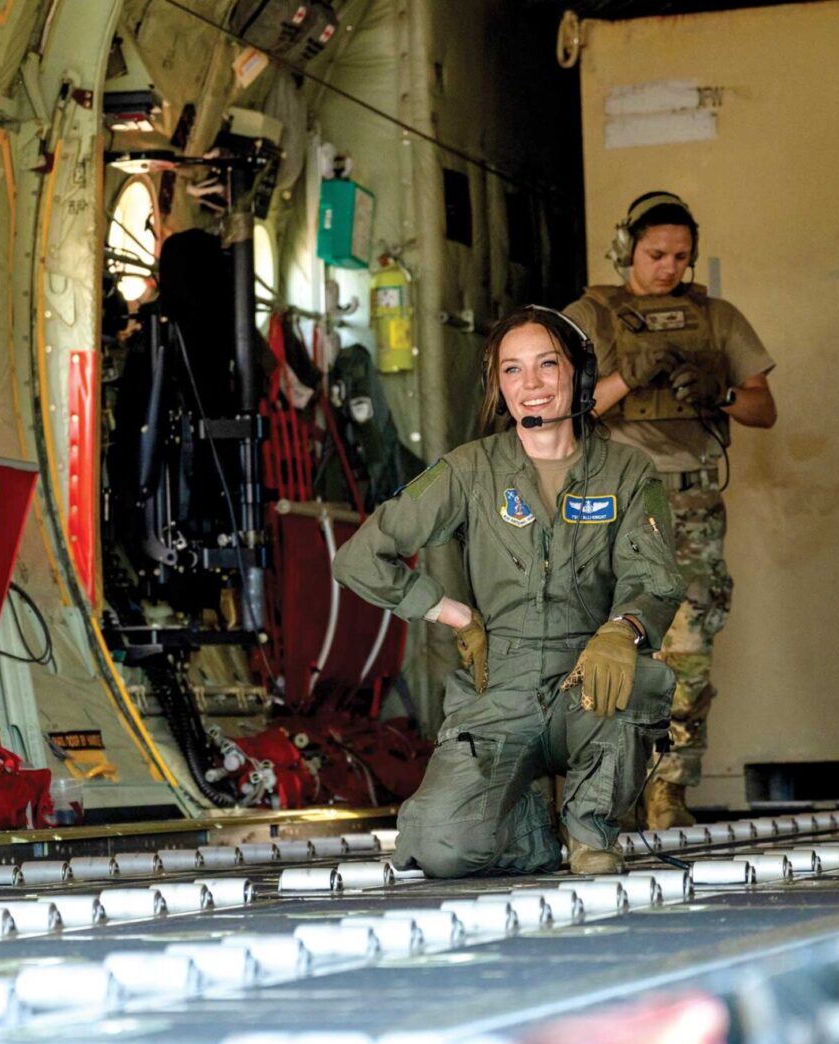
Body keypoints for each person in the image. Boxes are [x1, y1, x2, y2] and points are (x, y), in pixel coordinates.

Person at [332, 307, 685, 876]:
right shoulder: (470, 470)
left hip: (588, 675)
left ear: (580, 375)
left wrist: (624, 629)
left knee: (636, 677)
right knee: (440, 847)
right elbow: (359, 557)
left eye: (547, 365)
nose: (532, 386)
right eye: (513, 370)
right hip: (499, 685)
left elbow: (655, 578)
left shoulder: (627, 471)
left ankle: (591, 832)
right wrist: (450, 612)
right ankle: (533, 829)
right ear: (498, 385)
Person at [564, 192, 778, 830]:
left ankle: (669, 793)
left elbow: (764, 408)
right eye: (656, 254)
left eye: (681, 256)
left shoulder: (716, 318)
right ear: (626, 248)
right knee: (605, 650)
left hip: (690, 504)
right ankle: (606, 796)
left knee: (687, 655)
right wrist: (629, 376)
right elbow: (561, 414)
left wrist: (723, 392)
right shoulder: (589, 317)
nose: (669, 268)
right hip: (613, 508)